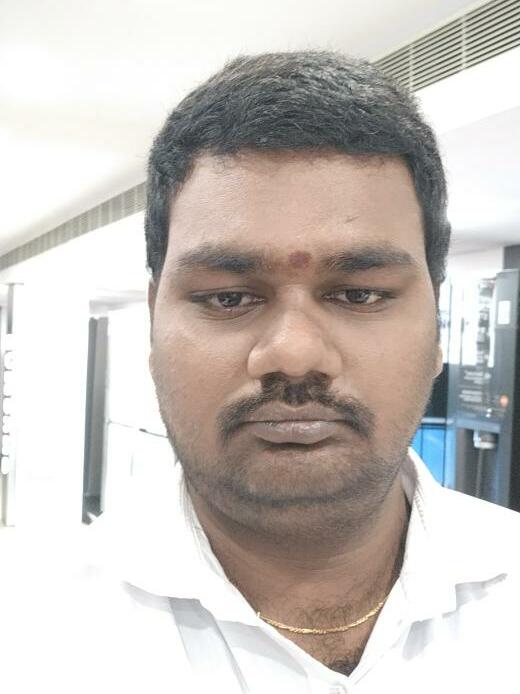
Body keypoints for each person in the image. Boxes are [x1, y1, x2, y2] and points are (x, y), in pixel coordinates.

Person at [3, 50, 520, 694]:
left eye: (359, 293)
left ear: (437, 325)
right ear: (153, 323)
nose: (294, 355)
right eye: (228, 297)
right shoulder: (24, 632)